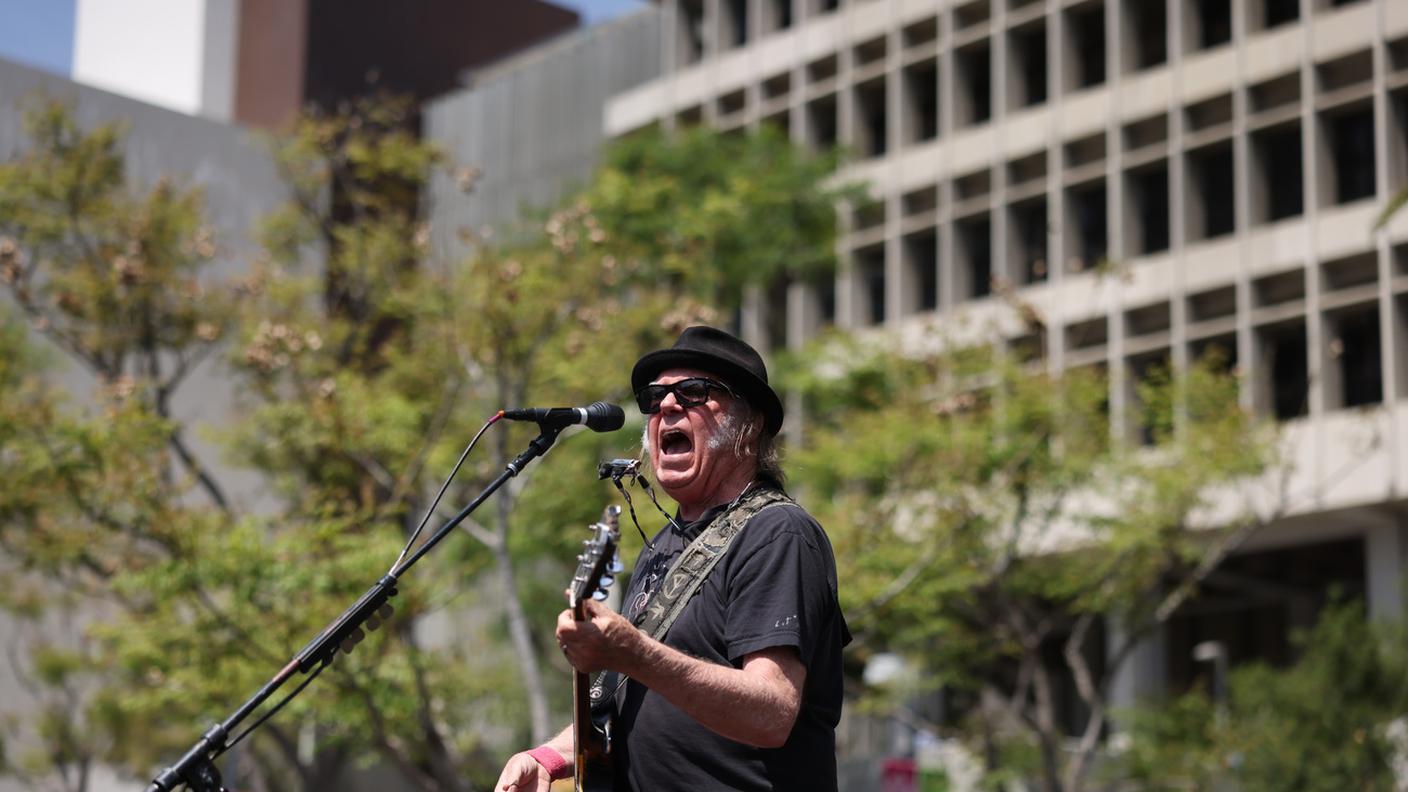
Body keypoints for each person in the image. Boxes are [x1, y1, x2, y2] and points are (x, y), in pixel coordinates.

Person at [495, 325, 850, 792]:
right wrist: (547, 757)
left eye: (693, 392)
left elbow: (771, 711)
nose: (665, 406)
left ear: (751, 421)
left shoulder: (777, 533)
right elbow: (627, 707)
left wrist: (636, 653)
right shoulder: (661, 546)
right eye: (653, 397)